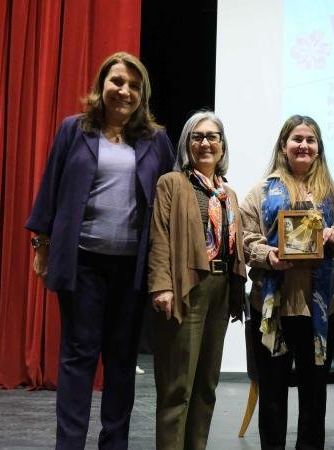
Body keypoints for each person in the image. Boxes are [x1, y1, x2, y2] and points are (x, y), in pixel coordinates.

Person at [25, 51, 175, 449]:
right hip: (82, 264)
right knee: (78, 360)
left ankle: (114, 444)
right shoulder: (74, 130)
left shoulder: (156, 141)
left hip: (133, 269)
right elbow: (51, 189)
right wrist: (41, 244)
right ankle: (69, 444)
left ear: (143, 94)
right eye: (117, 82)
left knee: (122, 363)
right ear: (101, 85)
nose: (124, 91)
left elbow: (171, 204)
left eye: (133, 85)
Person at [240, 115, 334, 450]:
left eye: (311, 140)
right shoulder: (260, 191)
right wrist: (269, 255)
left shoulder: (332, 193)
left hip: (319, 307)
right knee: (272, 394)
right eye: (297, 139)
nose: (304, 145)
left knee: (314, 394)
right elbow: (246, 242)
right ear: (283, 145)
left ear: (318, 149)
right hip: (272, 305)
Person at [147, 111, 247, 450]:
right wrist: (161, 285)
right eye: (198, 136)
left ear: (222, 145)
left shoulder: (228, 193)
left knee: (206, 385)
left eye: (213, 136)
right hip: (186, 287)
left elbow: (234, 246)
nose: (206, 143)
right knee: (178, 387)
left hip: (221, 290)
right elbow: (159, 237)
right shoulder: (172, 183)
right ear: (187, 144)